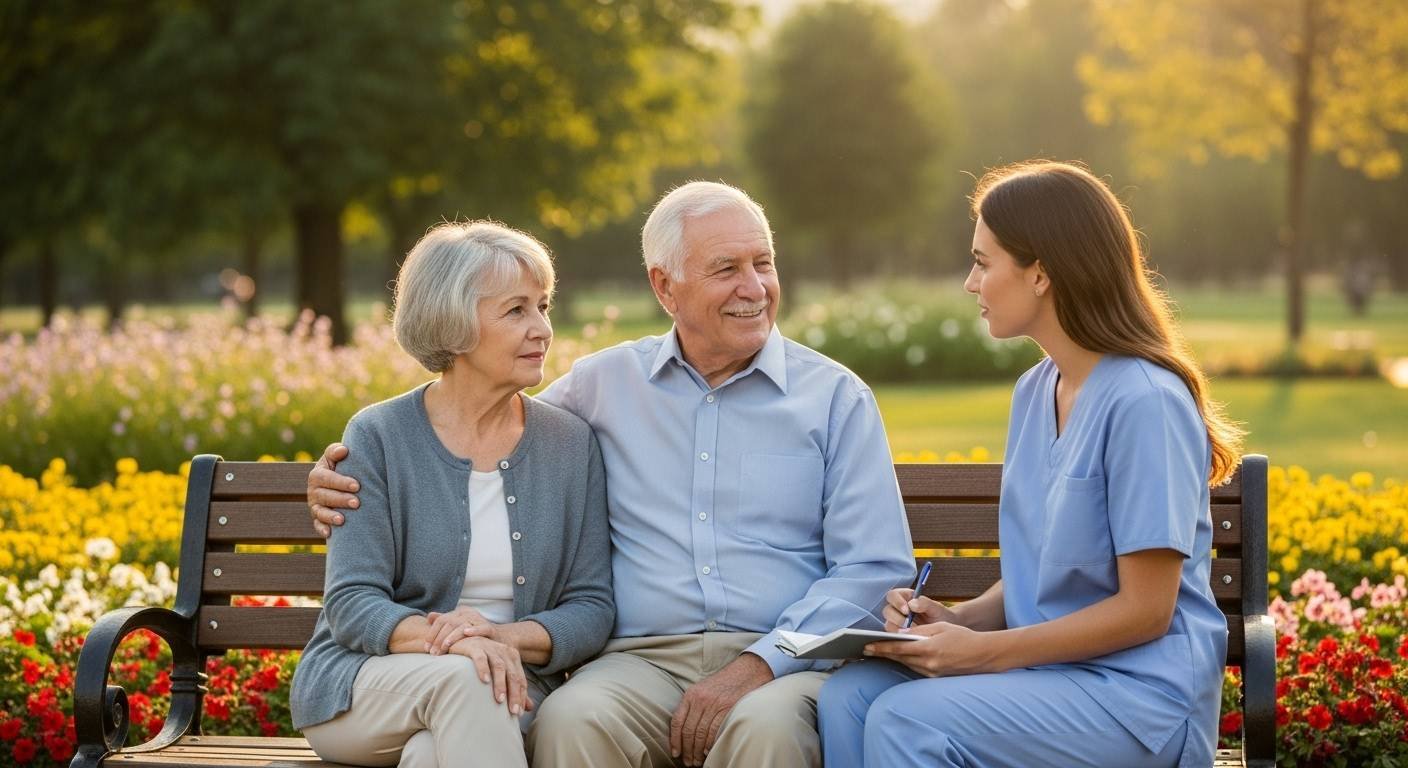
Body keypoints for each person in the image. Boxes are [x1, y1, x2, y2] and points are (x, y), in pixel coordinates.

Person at [308, 181, 916, 768]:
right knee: (573, 719)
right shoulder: (601, 388)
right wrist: (334, 475)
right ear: (664, 285)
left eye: (764, 263)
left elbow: (873, 567)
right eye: (726, 268)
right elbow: (476, 421)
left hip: (780, 660)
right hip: (642, 663)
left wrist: (760, 663)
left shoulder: (834, 398)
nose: (753, 287)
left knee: (767, 730)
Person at [817, 161, 1240, 768]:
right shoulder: (1036, 391)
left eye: (982, 262)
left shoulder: (1145, 402)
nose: (970, 283)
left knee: (908, 719)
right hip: (1047, 679)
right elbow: (1046, 573)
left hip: (1138, 700)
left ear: (1039, 273)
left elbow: (1147, 610)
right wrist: (958, 620)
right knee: (850, 699)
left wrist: (982, 653)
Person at [289, 221, 613, 768]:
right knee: (470, 680)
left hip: (513, 688)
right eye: (516, 311)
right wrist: (460, 643)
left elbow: (591, 607)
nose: (542, 329)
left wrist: (500, 637)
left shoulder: (570, 443)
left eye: (542, 307)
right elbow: (352, 604)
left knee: (431, 754)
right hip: (366, 688)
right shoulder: (379, 436)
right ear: (454, 323)